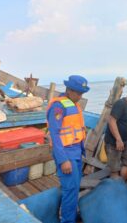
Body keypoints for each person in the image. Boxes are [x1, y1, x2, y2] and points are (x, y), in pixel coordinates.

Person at [47, 75, 89, 223]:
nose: (80, 96)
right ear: (69, 90)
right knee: (70, 190)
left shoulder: (74, 104)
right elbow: (54, 134)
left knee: (74, 188)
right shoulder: (58, 106)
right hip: (66, 153)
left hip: (76, 151)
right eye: (78, 93)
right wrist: (63, 160)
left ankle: (69, 215)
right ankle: (67, 220)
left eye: (82, 93)